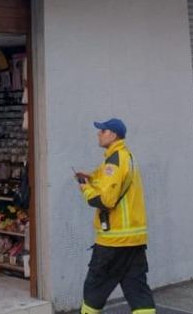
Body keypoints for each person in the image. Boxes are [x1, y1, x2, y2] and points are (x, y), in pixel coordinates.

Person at [74, 118, 154, 314]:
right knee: (138, 292)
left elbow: (106, 200)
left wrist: (85, 189)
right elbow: (107, 179)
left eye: (102, 131)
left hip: (114, 241)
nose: (98, 134)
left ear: (113, 134)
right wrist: (91, 177)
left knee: (94, 291)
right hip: (134, 242)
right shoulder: (126, 156)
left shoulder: (115, 160)